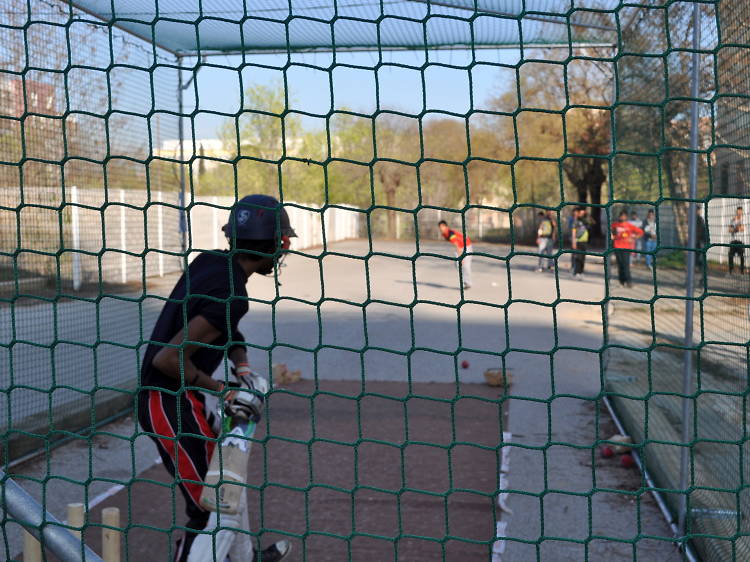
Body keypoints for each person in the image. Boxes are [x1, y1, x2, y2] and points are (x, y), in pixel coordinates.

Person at [138, 194, 295, 562]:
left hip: (179, 399)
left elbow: (224, 328)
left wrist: (241, 366)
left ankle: (244, 558)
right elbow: (167, 360)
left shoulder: (211, 263)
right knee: (211, 507)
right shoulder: (232, 294)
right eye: (283, 243)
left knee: (228, 486)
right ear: (274, 246)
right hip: (168, 403)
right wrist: (222, 390)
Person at [611, 210, 643, 287]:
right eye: (621, 216)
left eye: (624, 216)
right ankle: (621, 281)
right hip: (617, 246)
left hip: (626, 247)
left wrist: (633, 238)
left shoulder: (629, 225)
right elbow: (610, 230)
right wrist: (612, 236)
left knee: (626, 265)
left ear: (626, 217)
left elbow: (640, 232)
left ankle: (628, 281)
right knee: (620, 264)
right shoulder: (615, 225)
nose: (622, 217)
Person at [438, 220, 473, 289]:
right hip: (460, 247)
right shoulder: (444, 234)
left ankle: (468, 283)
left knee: (466, 265)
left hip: (466, 246)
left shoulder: (450, 233)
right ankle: (466, 281)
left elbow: (457, 245)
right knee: (458, 264)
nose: (441, 228)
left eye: (443, 226)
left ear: (446, 226)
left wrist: (461, 258)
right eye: (440, 227)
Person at [571, 206, 589, 279]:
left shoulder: (584, 220)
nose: (581, 213)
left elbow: (593, 222)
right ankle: (576, 272)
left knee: (583, 258)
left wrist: (587, 214)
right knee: (578, 258)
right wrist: (574, 241)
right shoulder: (575, 221)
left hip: (584, 241)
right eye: (579, 212)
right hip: (578, 241)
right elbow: (574, 232)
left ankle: (581, 272)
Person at [728, 206, 745, 275]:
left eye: (740, 211)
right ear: (736, 212)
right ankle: (731, 270)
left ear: (742, 212)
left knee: (741, 256)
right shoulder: (733, 220)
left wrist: (735, 228)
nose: (739, 213)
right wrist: (736, 228)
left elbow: (742, 229)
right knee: (730, 255)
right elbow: (730, 230)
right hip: (733, 240)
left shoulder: (743, 220)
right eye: (738, 211)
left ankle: (742, 271)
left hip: (740, 241)